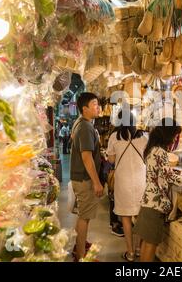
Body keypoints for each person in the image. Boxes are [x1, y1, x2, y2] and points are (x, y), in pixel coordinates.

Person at [133, 118, 182, 262]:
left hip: (148, 202)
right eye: (175, 136)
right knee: (151, 245)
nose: (175, 139)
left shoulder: (152, 149)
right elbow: (168, 176)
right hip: (155, 205)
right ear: (168, 134)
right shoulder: (160, 152)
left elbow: (161, 174)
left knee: (146, 243)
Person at [107, 110, 148, 262]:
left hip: (123, 181)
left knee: (125, 216)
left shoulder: (114, 137)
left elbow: (111, 160)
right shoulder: (143, 137)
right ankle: (138, 249)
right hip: (140, 181)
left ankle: (130, 252)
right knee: (139, 215)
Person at [70, 92, 104, 261]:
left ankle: (80, 246)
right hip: (85, 179)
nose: (98, 107)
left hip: (80, 177)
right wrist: (97, 182)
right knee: (85, 217)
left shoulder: (80, 123)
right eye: (95, 104)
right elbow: (86, 156)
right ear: (85, 109)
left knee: (83, 214)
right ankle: (81, 256)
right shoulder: (85, 127)